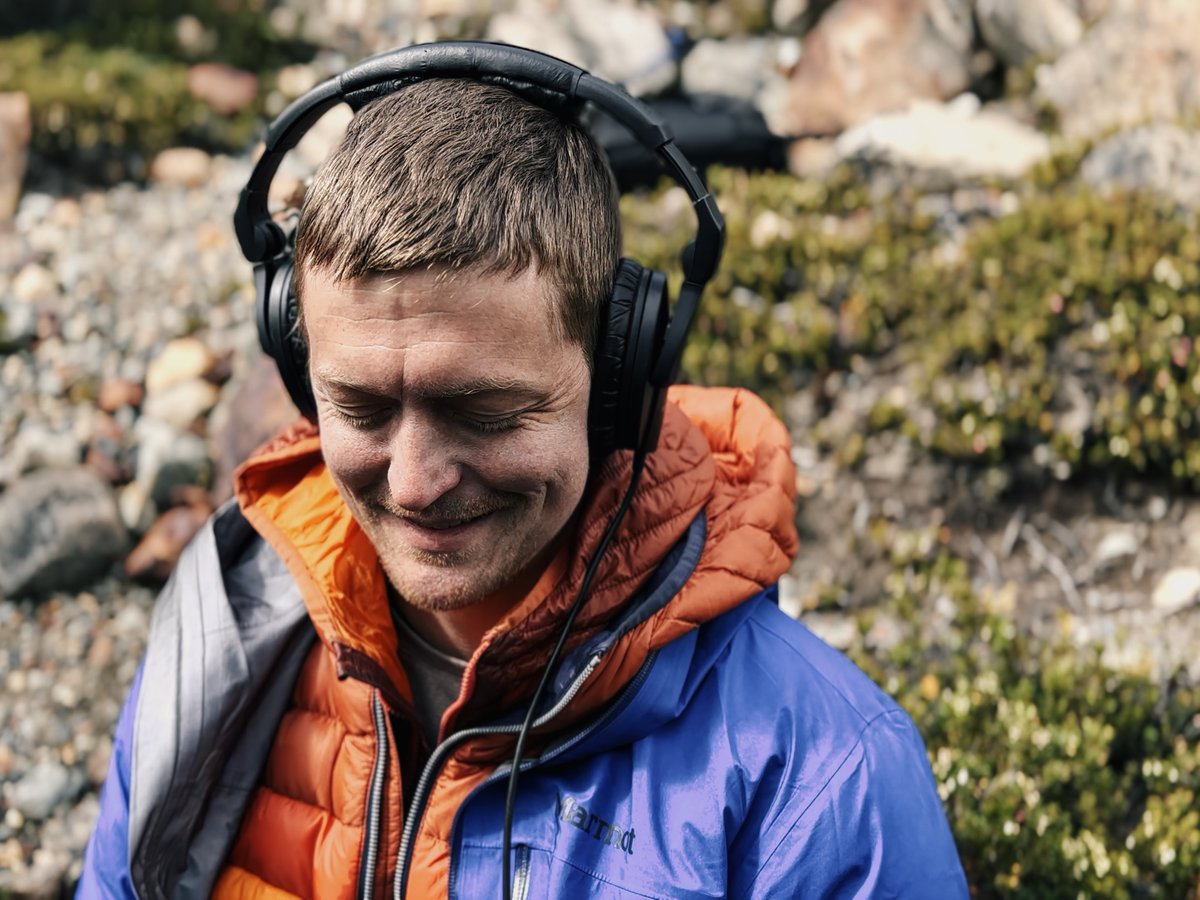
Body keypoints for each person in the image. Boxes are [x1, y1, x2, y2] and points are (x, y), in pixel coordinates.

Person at [79, 42, 968, 899]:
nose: (416, 481)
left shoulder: (823, 773)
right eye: (362, 410)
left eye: (488, 413)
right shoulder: (219, 628)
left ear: (618, 378)